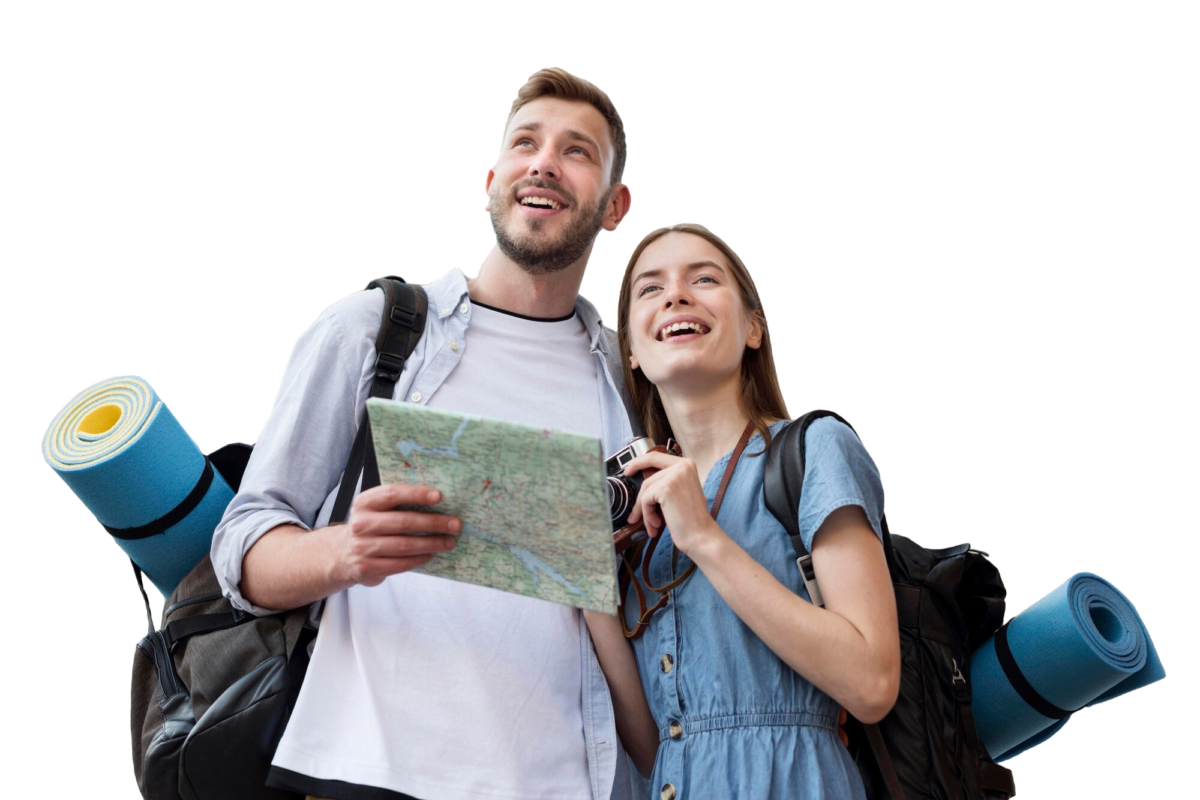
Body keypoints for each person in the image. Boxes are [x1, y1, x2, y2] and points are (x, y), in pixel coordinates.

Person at [211, 66, 657, 800]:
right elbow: (242, 545)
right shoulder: (376, 331)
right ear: (492, 180)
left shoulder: (632, 379)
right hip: (360, 772)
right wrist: (345, 551)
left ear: (615, 206)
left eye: (577, 150)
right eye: (525, 143)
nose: (544, 160)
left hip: (568, 786)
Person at [604, 222, 902, 799]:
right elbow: (652, 746)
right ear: (633, 354)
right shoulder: (636, 515)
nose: (676, 296)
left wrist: (704, 538)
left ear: (754, 330)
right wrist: (583, 577)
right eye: (650, 288)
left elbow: (871, 682)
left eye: (705, 279)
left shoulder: (816, 449)